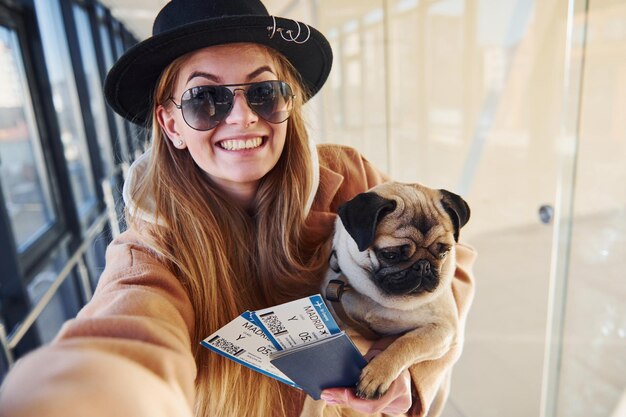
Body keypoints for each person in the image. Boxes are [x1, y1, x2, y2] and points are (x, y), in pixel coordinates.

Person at [0, 1, 476, 416]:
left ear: (288, 102)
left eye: (264, 92)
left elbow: (451, 270)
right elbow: (130, 334)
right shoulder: (151, 251)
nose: (242, 116)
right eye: (206, 99)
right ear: (171, 125)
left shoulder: (351, 177)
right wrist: (79, 391)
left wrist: (405, 372)